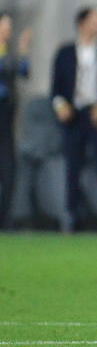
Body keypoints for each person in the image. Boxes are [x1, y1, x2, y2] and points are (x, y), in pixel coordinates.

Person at [52, 7, 97, 231]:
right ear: (81, 23)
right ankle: (71, 215)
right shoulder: (65, 52)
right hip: (74, 115)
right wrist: (61, 106)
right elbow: (56, 88)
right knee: (73, 167)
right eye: (94, 21)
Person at [0, 13, 31, 228]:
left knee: (9, 170)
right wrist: (21, 52)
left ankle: (5, 218)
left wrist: (23, 50)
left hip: (6, 120)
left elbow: (23, 71)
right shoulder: (7, 58)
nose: (7, 31)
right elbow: (11, 68)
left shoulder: (7, 54)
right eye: (4, 26)